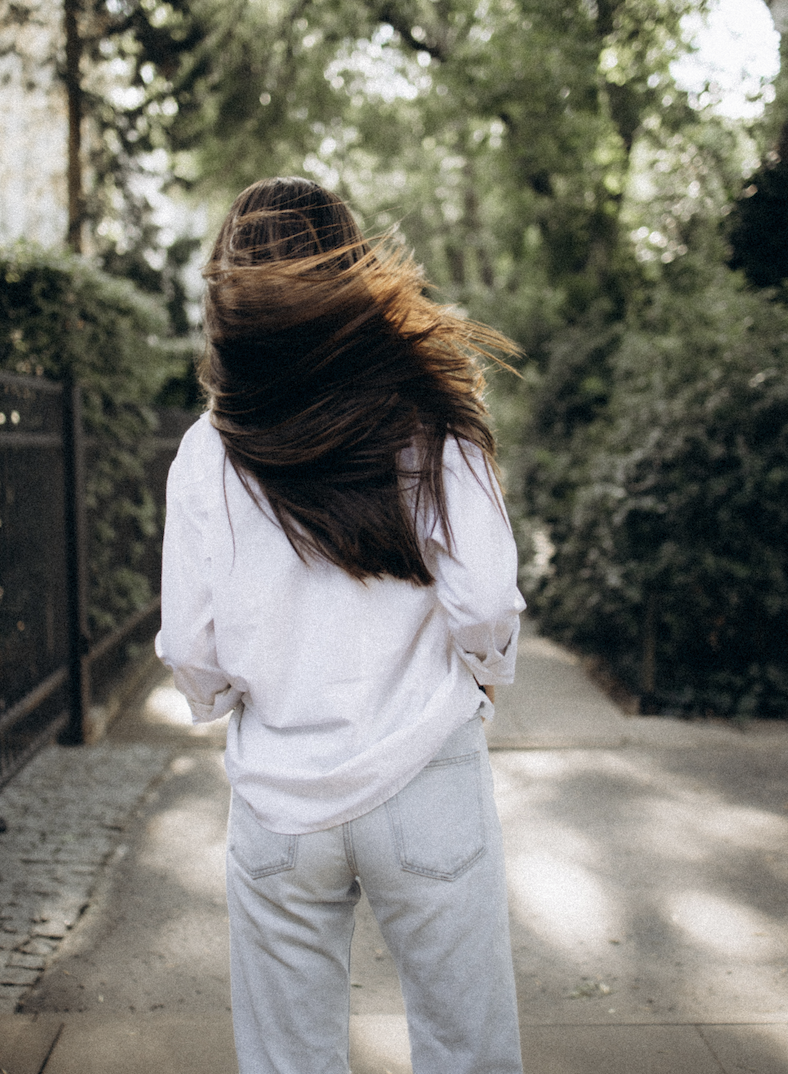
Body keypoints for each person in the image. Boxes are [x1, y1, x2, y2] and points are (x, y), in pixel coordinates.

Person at [156, 176, 526, 1074]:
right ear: (356, 271)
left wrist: (243, 694)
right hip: (424, 767)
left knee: (288, 1061)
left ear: (231, 283)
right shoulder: (429, 418)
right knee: (467, 1050)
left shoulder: (210, 448)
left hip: (280, 794)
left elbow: (191, 650)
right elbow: (484, 602)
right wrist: (483, 671)